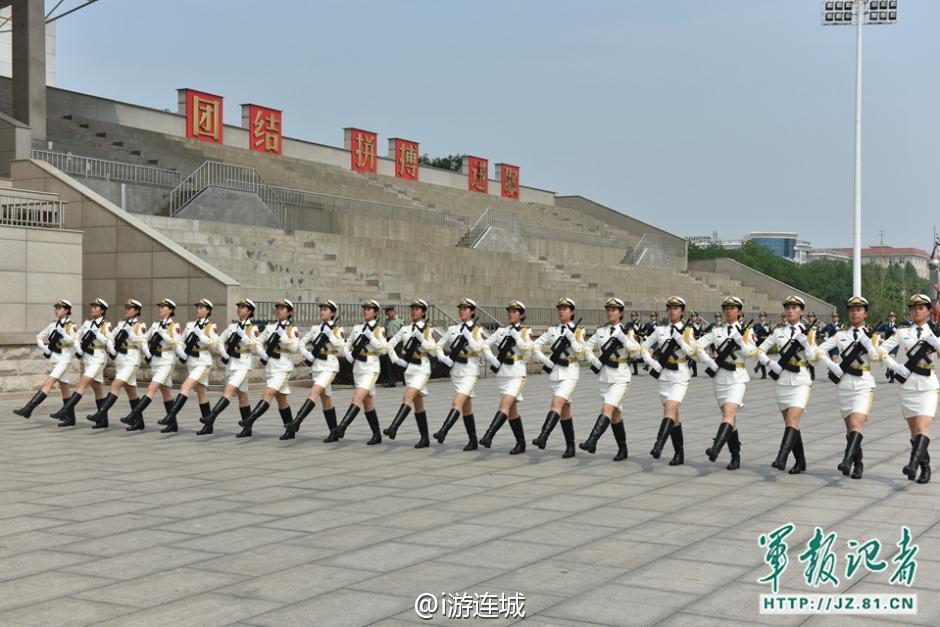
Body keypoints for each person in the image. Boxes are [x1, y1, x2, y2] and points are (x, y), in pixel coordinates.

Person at [815, 296, 880, 480]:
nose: (854, 313)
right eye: (851, 309)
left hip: (863, 384)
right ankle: (858, 462)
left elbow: (876, 359)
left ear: (865, 313)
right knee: (850, 427)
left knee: (856, 423)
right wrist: (831, 364)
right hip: (844, 385)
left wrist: (869, 345)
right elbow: (819, 350)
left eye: (859, 309)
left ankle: (847, 460)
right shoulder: (841, 335)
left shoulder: (871, 335)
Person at [756, 295, 820, 475]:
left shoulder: (808, 333)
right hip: (782, 381)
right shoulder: (778, 332)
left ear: (801, 311)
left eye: (794, 307)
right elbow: (760, 350)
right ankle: (800, 461)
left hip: (801, 381)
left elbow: (814, 359)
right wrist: (770, 363)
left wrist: (807, 344)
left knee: (792, 420)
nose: (790, 310)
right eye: (788, 307)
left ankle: (781, 458)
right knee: (791, 423)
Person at [879, 294, 940, 484]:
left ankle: (912, 465)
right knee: (914, 433)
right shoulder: (902, 332)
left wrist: (937, 343)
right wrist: (895, 366)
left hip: (928, 385)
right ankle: (924, 466)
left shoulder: (935, 332)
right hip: (908, 386)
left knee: (922, 428)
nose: (917, 311)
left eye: (921, 308)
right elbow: (881, 349)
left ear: (929, 311)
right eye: (913, 308)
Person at [693, 297, 757, 470]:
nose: (729, 311)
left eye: (733, 308)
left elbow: (753, 354)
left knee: (728, 413)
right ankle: (735, 456)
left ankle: (715, 448)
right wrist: (708, 360)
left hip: (737, 377)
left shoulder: (746, 332)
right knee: (730, 419)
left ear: (739, 311)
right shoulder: (717, 331)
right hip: (720, 378)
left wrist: (740, 342)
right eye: (726, 308)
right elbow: (697, 345)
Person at [580, 297, 640, 461]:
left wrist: (624, 339)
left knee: (607, 408)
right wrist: (593, 360)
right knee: (615, 415)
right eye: (608, 310)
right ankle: (623, 449)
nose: (610, 313)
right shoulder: (601, 331)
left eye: (614, 310)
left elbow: (637, 352)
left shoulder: (627, 332)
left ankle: (592, 441)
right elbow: (586, 348)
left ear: (620, 313)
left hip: (621, 377)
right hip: (605, 377)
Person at [237, 298, 302, 438]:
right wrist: (262, 352)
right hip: (271, 367)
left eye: (282, 308)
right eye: (277, 308)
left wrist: (283, 336)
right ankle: (291, 429)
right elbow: (258, 342)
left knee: (267, 393)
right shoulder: (270, 328)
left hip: (283, 368)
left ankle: (249, 420)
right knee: (281, 399)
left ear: (289, 312)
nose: (279, 311)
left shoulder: (292, 329)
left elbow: (294, 348)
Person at [641, 296, 695, 465]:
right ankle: (679, 453)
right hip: (664, 376)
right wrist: (651, 362)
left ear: (682, 311)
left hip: (680, 375)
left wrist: (681, 341)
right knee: (673, 416)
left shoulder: (687, 331)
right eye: (670, 308)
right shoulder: (660, 330)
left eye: (676, 308)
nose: (672, 311)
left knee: (670, 409)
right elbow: (644, 347)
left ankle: (659, 445)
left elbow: (694, 352)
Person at [530, 298, 586, 458]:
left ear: (572, 312)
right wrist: (545, 360)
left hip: (570, 373)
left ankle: (543, 436)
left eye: (565, 308)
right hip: (555, 373)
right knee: (564, 409)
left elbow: (582, 356)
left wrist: (572, 339)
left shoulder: (578, 331)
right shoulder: (552, 330)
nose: (561, 311)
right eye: (560, 308)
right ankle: (570, 446)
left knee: (557, 402)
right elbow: (535, 345)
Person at [283, 299, 346, 440]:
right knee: (326, 399)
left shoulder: (337, 330)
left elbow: (342, 348)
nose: (322, 312)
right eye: (321, 309)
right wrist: (307, 354)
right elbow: (301, 343)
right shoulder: (315, 329)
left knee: (314, 392)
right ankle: (334, 432)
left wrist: (331, 336)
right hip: (317, 366)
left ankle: (296, 422)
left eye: (326, 309)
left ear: (332, 313)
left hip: (329, 367)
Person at [197, 298, 261, 436]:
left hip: (244, 365)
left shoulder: (253, 329)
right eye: (239, 307)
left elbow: (256, 349)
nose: (239, 309)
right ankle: (247, 427)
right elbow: (220, 340)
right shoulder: (232, 327)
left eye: (243, 307)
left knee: (229, 389)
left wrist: (244, 337)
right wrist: (224, 352)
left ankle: (211, 418)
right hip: (233, 364)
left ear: (249, 311)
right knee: (242, 395)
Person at [157, 299, 221, 434]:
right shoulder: (190, 325)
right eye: (198, 307)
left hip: (203, 362)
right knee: (201, 392)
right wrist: (181, 350)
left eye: (202, 307)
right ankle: (208, 426)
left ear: (208, 311)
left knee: (185, 386)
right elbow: (181, 340)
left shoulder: (211, 326)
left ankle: (171, 416)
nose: (199, 309)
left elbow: (214, 344)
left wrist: (201, 336)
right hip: (192, 362)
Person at [480, 300, 535, 454]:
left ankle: (488, 435)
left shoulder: (525, 332)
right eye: (509, 311)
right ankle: (521, 443)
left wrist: (517, 338)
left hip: (517, 374)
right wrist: (492, 359)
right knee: (511, 410)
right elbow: (485, 345)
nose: (511, 314)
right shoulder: (501, 331)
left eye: (514, 312)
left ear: (521, 315)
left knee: (504, 405)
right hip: (503, 373)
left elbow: (528, 352)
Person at [330, 299, 388, 444]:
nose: (365, 311)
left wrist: (371, 338)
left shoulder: (379, 330)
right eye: (364, 309)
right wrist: (348, 354)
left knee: (357, 398)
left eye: (369, 309)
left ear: (375, 312)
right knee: (368, 403)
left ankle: (341, 428)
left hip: (371, 368)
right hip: (358, 368)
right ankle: (377, 435)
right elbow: (346, 344)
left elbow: (383, 350)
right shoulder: (357, 328)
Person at [431, 298, 486, 450]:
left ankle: (443, 431)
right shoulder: (452, 329)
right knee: (466, 407)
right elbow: (438, 346)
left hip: (470, 372)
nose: (462, 311)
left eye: (465, 308)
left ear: (472, 311)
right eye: (460, 308)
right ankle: (473, 440)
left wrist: (470, 339)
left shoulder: (477, 331)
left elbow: (481, 353)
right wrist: (443, 357)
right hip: (456, 371)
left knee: (457, 402)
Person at [120, 298, 182, 432]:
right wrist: (133, 336)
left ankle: (133, 415)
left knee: (151, 388)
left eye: (164, 307)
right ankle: (173, 424)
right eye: (160, 307)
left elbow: (176, 343)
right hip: (156, 361)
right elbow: (144, 338)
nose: (161, 309)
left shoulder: (174, 326)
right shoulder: (155, 325)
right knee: (166, 392)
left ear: (170, 310)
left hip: (167, 361)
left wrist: (164, 335)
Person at [384, 298, 439, 448]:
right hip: (410, 370)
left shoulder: (428, 330)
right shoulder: (405, 329)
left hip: (422, 369)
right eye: (412, 308)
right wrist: (396, 359)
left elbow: (433, 351)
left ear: (423, 312)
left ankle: (393, 427)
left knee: (407, 397)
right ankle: (425, 438)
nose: (414, 311)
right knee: (418, 404)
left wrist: (422, 340)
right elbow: (389, 345)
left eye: (417, 309)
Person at [49, 298, 112, 427]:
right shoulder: (87, 323)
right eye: (92, 306)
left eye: (96, 307)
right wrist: (78, 345)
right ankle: (103, 420)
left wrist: (98, 335)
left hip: (99, 358)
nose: (92, 309)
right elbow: (76, 336)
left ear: (102, 311)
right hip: (88, 358)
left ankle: (65, 411)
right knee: (97, 388)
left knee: (82, 383)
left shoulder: (106, 325)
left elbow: (109, 342)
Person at [86, 299, 148, 429]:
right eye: (126, 307)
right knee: (131, 391)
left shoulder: (140, 325)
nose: (127, 310)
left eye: (130, 308)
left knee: (115, 385)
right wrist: (109, 343)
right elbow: (111, 337)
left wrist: (131, 334)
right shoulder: (121, 324)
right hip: (120, 360)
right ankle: (139, 421)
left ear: (137, 311)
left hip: (131, 360)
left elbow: (143, 342)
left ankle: (100, 413)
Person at [14, 299, 78, 421]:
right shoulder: (53, 325)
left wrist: (63, 334)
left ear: (67, 310)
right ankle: (70, 418)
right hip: (55, 358)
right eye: (56, 308)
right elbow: (39, 336)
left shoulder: (71, 325)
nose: (57, 310)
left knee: (47, 383)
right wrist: (43, 347)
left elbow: (73, 341)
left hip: (64, 359)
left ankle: (28, 409)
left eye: (60, 308)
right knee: (65, 389)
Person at [380, 305, 403, 387]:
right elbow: (385, 332)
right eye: (386, 313)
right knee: (389, 362)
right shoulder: (386, 321)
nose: (387, 314)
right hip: (389, 342)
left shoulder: (400, 321)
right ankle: (391, 381)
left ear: (393, 312)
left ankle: (404, 378)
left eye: (389, 313)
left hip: (398, 342)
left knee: (398, 361)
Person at [875, 313, 899, 383]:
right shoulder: (885, 326)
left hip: (894, 346)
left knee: (891, 358)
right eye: (890, 317)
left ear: (895, 318)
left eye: (893, 317)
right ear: (888, 318)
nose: (891, 318)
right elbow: (877, 330)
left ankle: (891, 378)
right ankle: (889, 371)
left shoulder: (897, 327)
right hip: (886, 345)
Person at [752, 311, 771, 379]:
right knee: (761, 357)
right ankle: (764, 374)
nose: (761, 317)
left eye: (763, 316)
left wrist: (768, 331)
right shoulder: (756, 325)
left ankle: (758, 367)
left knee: (762, 357)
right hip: (758, 343)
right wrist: (754, 339)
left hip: (765, 344)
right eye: (760, 316)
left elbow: (771, 335)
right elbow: (753, 334)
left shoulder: (768, 325)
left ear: (765, 317)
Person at [625, 311, 641, 375]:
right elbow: (625, 330)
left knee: (632, 356)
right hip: (629, 340)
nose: (633, 317)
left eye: (634, 316)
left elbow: (638, 331)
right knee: (632, 356)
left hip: (635, 341)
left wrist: (637, 335)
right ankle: (635, 371)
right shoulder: (628, 323)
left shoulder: (638, 323)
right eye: (632, 316)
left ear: (636, 317)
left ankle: (625, 369)